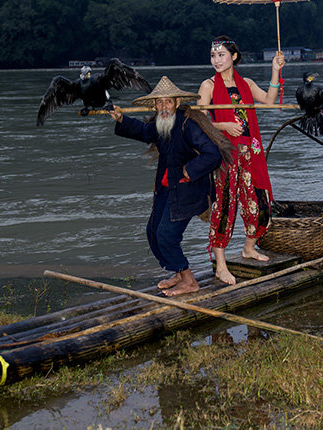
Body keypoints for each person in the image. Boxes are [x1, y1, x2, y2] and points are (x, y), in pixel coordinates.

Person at [109, 76, 231, 296]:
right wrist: (120, 119)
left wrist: (189, 169)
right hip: (167, 188)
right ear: (155, 105)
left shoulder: (188, 125)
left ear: (176, 103)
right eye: (159, 102)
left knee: (166, 236)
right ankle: (177, 271)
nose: (163, 106)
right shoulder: (160, 123)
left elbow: (212, 155)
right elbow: (144, 132)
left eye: (168, 102)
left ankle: (189, 281)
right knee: (153, 232)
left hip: (186, 190)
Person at [197, 36, 285, 285]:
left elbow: (268, 100)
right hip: (225, 154)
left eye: (221, 55)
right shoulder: (208, 86)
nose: (216, 60)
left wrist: (275, 71)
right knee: (224, 207)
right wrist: (222, 124)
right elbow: (199, 123)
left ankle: (249, 248)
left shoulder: (245, 83)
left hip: (249, 152)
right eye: (213, 55)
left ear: (234, 57)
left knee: (259, 202)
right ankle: (220, 265)